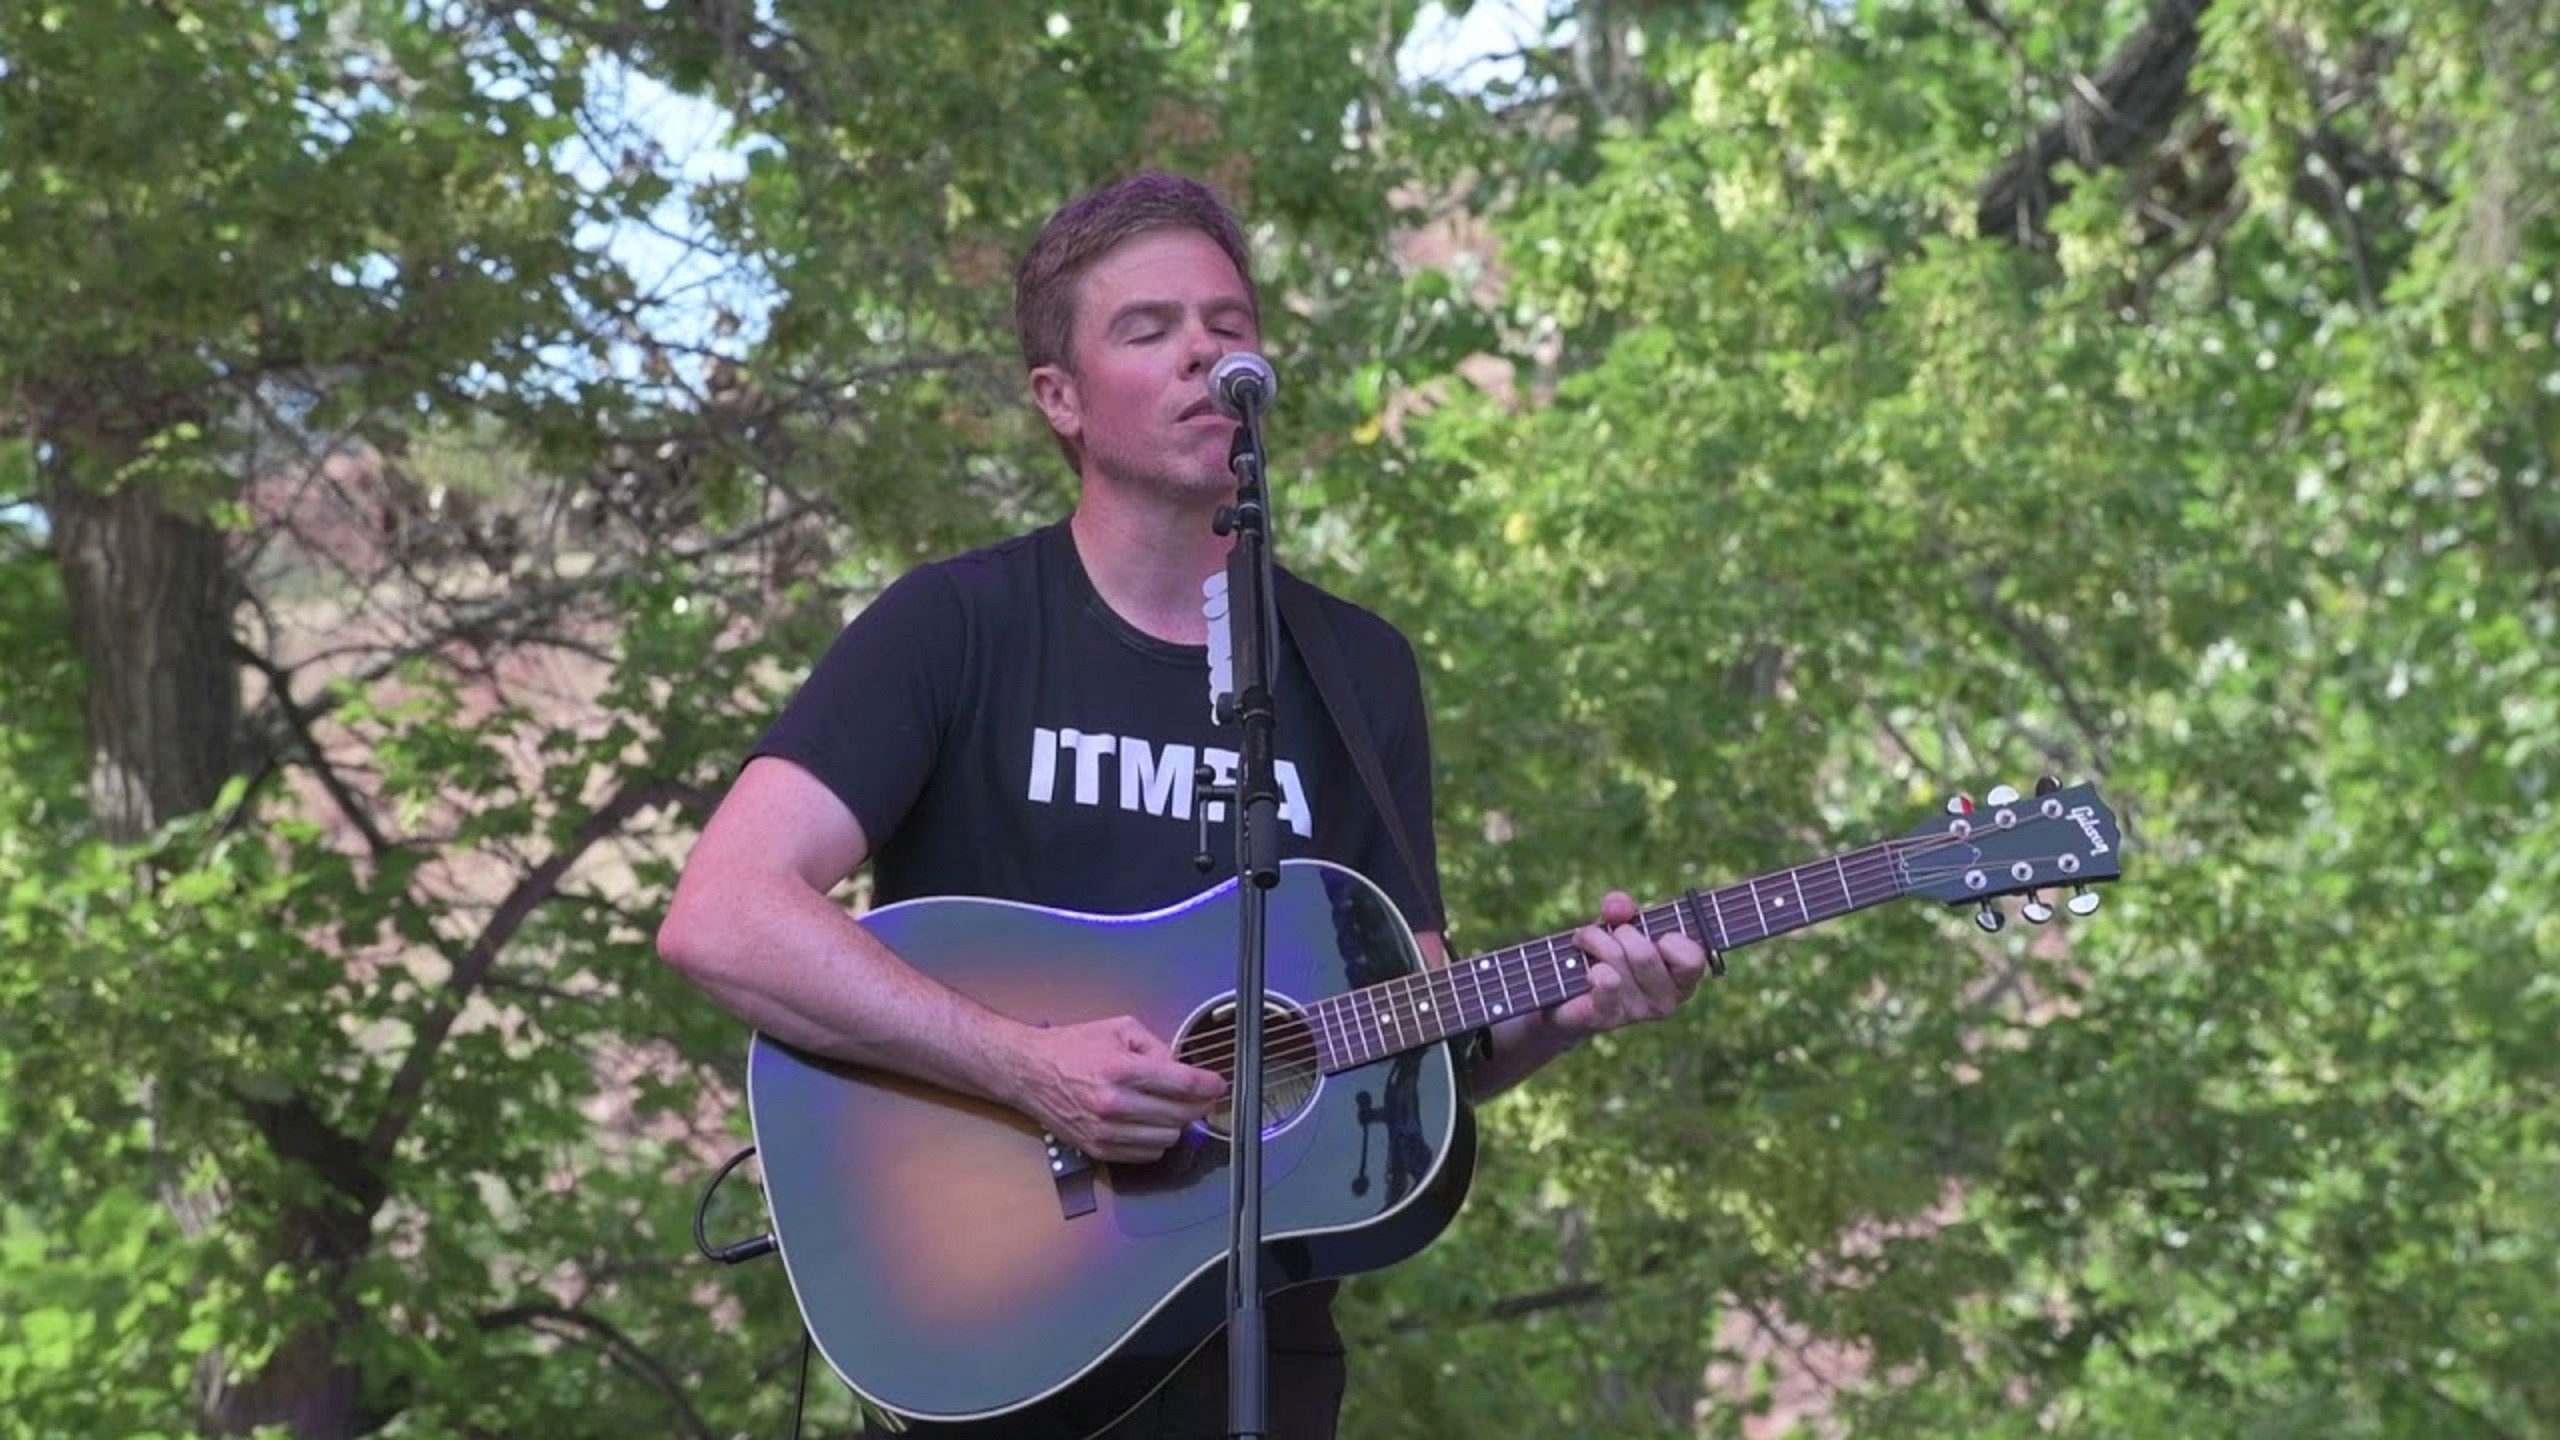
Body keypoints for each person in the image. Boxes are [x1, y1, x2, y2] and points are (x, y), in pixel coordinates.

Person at [656, 170, 1713, 1440]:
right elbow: (723, 916)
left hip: (1260, 1346)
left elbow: (1411, 1040)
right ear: (1060, 398)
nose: (1203, 352)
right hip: (996, 1322)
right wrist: (1026, 1067)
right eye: (1148, 329)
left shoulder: (1354, 669)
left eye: (1228, 322)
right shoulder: (956, 627)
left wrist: (1573, 1010)